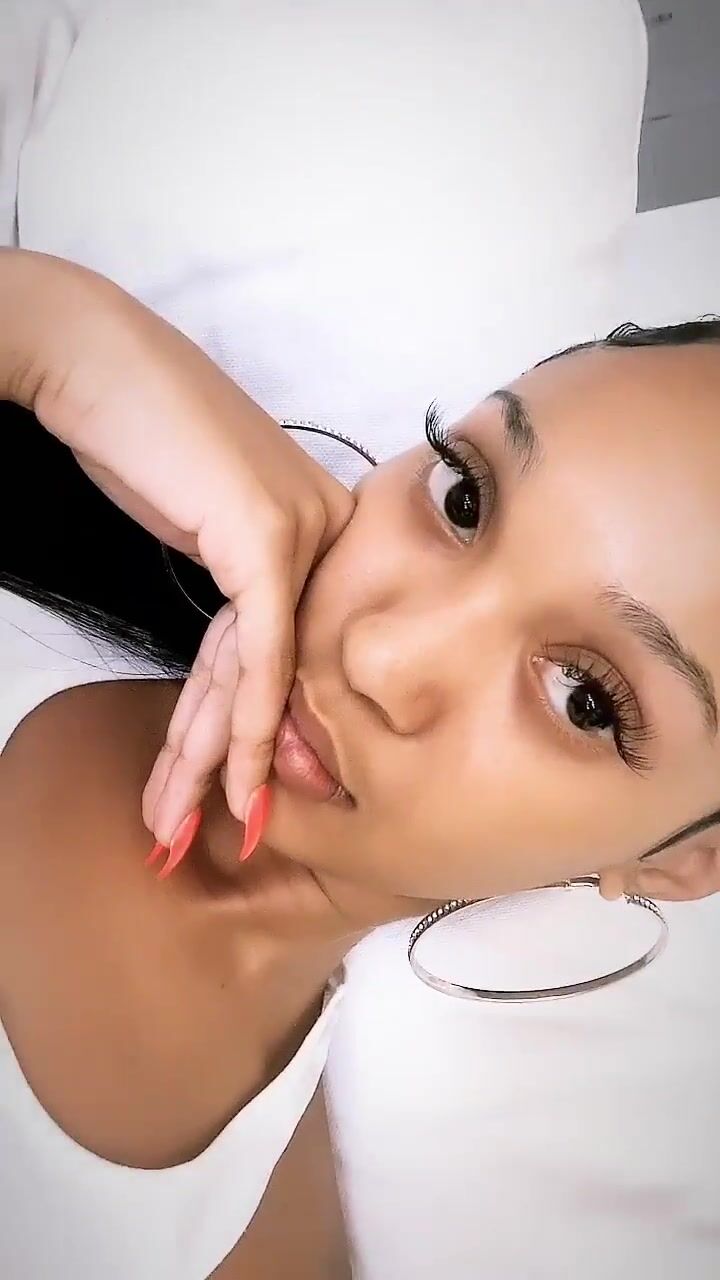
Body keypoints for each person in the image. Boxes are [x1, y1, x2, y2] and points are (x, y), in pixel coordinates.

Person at [2, 247, 720, 1277]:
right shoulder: (41, 485)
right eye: (464, 500)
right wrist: (49, 334)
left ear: (678, 862)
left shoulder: (221, 1242)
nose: (383, 656)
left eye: (585, 698)